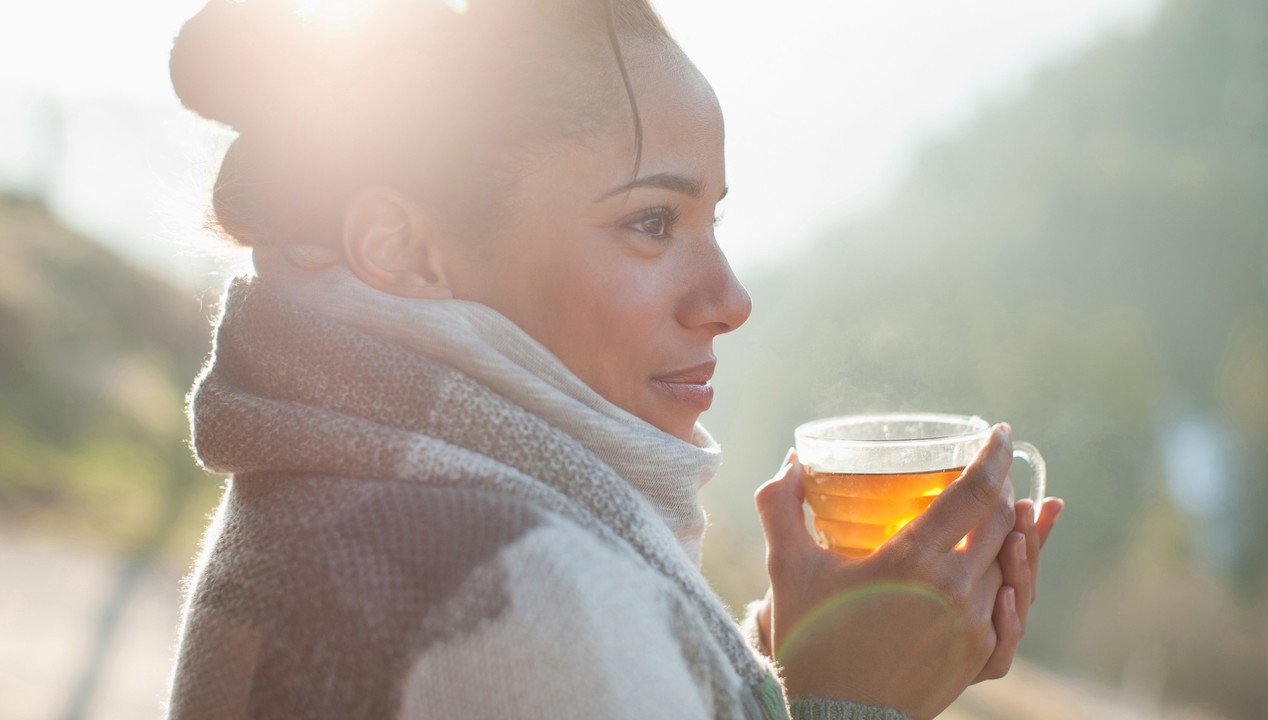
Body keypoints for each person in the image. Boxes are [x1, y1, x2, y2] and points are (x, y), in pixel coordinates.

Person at [166, 1, 1064, 718]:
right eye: (652, 222)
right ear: (403, 249)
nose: (730, 300)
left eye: (713, 218)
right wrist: (854, 704)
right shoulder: (526, 599)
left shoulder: (347, 500)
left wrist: (776, 658)